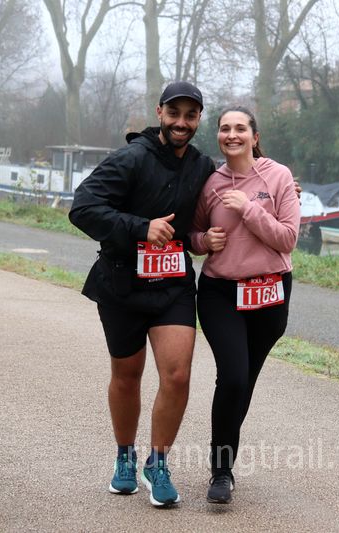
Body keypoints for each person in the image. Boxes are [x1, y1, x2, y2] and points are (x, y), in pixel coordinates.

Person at [69, 81, 216, 507]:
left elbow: (239, 179)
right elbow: (82, 208)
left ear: (198, 119)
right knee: (127, 375)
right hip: (123, 285)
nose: (182, 122)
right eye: (175, 113)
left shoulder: (202, 166)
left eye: (190, 115)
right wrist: (141, 227)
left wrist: (282, 188)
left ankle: (158, 463)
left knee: (178, 375)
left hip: (172, 285)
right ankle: (124, 458)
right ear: (159, 113)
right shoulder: (130, 158)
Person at [189, 106, 300, 504]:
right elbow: (193, 234)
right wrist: (204, 242)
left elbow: (287, 239)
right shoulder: (210, 182)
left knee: (244, 383)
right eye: (224, 128)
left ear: (255, 136)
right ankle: (221, 472)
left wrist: (248, 209)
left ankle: (224, 458)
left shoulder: (279, 176)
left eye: (240, 128)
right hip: (221, 292)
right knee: (233, 378)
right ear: (218, 136)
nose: (232, 134)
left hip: (270, 293)